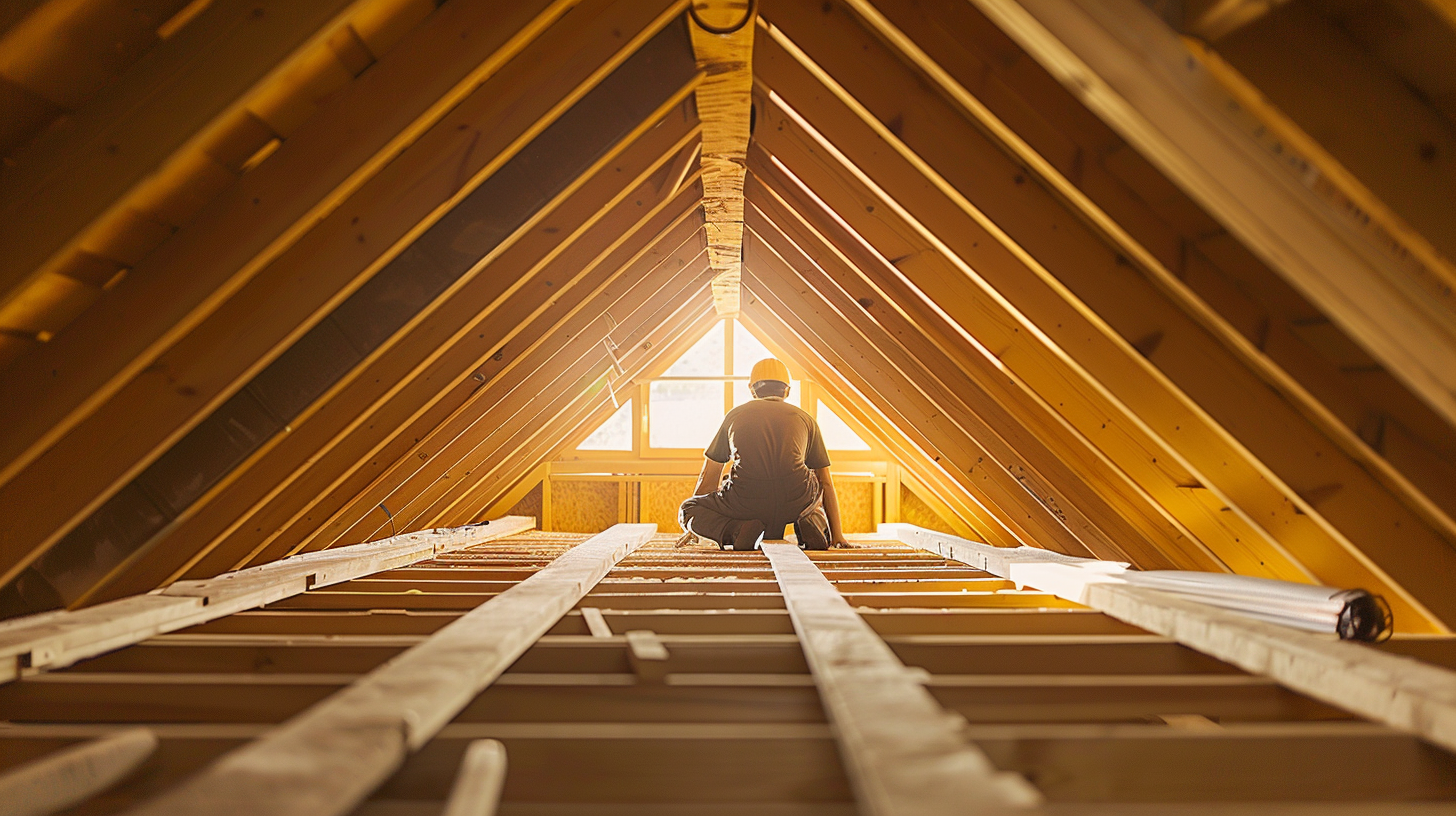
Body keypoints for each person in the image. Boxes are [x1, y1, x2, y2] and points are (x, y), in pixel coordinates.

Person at [678, 358, 849, 551]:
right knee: (812, 492)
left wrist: (696, 525)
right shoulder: (806, 420)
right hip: (796, 501)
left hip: (747, 501)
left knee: (688, 509)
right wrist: (838, 535)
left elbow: (709, 476)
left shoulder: (734, 416)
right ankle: (813, 523)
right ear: (787, 390)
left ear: (752, 389)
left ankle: (736, 530)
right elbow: (825, 482)